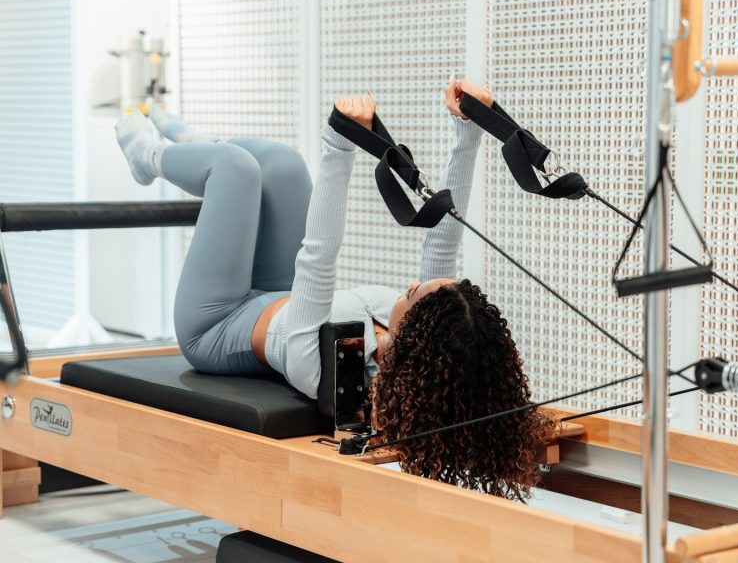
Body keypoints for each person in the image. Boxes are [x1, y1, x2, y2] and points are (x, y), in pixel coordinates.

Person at [114, 77, 553, 500]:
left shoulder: (326, 368)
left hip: (215, 322)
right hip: (276, 292)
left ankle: (146, 154)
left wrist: (340, 145)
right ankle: (188, 138)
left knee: (234, 169)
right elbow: (443, 235)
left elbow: (318, 255)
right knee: (282, 163)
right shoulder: (411, 328)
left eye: (414, 292)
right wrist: (467, 129)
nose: (413, 281)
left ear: (414, 336)